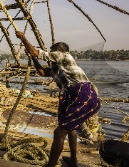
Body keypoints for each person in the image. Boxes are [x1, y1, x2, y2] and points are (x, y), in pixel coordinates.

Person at [15, 31, 100, 167]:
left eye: (52, 50)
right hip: (75, 96)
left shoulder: (64, 55)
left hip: (83, 94)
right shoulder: (56, 67)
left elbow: (36, 52)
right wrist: (33, 58)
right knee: (71, 128)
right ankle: (73, 161)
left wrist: (23, 38)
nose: (51, 53)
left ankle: (51, 165)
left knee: (59, 132)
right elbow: (42, 72)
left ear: (59, 51)